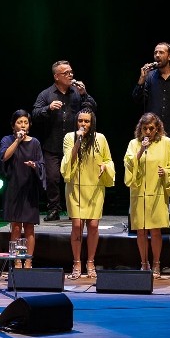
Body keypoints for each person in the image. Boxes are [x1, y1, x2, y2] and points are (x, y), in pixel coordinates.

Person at [32, 60, 97, 222]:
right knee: (53, 178)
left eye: (71, 72)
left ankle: (75, 209)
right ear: (56, 77)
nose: (70, 75)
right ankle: (54, 209)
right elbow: (34, 113)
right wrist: (48, 108)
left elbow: (92, 109)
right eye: (66, 73)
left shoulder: (76, 91)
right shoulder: (46, 94)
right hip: (52, 144)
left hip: (74, 144)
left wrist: (84, 94)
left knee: (75, 177)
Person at [131, 42, 170, 202]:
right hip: (151, 131)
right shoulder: (150, 77)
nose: (157, 55)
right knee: (151, 165)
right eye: (155, 52)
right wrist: (141, 79)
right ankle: (151, 197)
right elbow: (136, 99)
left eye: (161, 52)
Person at [61, 109, 115, 279]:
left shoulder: (101, 138)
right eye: (80, 121)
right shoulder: (70, 137)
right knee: (77, 225)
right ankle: (77, 262)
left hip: (94, 187)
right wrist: (78, 140)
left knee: (93, 226)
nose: (83, 124)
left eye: (87, 121)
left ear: (92, 123)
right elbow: (68, 159)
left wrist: (105, 167)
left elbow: (108, 160)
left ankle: (90, 262)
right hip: (75, 187)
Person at [123, 113, 170, 278]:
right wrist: (141, 150)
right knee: (141, 230)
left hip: (157, 192)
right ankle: (143, 263)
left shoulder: (166, 143)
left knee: (155, 230)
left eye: (151, 128)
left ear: (157, 128)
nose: (148, 131)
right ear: (140, 128)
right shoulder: (134, 144)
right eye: (145, 128)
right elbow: (129, 163)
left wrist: (165, 171)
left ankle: (156, 263)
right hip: (139, 193)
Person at [0, 109, 46, 268]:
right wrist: (17, 141)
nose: (23, 125)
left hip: (29, 188)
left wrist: (35, 165)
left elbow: (41, 164)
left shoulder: (35, 143)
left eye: (25, 122)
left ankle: (29, 261)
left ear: (29, 125)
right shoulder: (7, 139)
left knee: (30, 227)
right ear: (13, 126)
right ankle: (17, 260)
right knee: (16, 226)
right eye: (19, 122)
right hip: (14, 188)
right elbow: (4, 156)